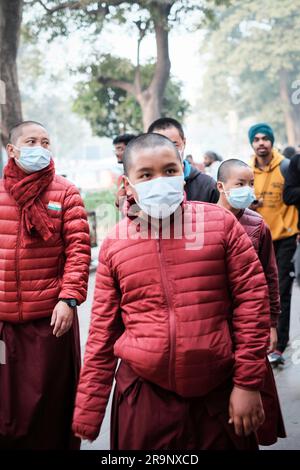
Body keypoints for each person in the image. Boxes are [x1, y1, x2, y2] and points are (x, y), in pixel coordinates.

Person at [72, 133, 270, 450]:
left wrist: (247, 383)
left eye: (168, 171)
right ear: (127, 184)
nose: (159, 181)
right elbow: (103, 333)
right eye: (146, 175)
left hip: (218, 393)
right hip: (145, 397)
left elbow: (252, 303)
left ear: (183, 172)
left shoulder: (220, 224)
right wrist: (88, 411)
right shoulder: (115, 244)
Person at [0, 121, 91, 450]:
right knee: (7, 409)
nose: (40, 147)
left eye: (45, 141)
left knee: (52, 403)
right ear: (12, 150)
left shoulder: (65, 192)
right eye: (31, 141)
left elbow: (79, 252)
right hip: (5, 324)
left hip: (50, 321)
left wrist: (68, 300)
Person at [217, 158, 286, 445]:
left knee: (252, 392)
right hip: (218, 322)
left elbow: (270, 278)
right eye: (239, 184)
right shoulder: (204, 222)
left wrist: (271, 325)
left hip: (249, 323)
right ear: (221, 187)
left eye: (250, 184)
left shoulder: (257, 226)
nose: (247, 190)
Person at [249, 123, 298, 366]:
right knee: (258, 291)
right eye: (256, 139)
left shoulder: (286, 167)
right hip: (257, 238)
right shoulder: (246, 170)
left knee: (282, 291)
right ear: (251, 143)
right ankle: (261, 341)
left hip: (285, 237)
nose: (261, 143)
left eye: (265, 138)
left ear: (271, 141)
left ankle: (279, 347)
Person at [147, 117, 219, 203]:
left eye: (174, 144)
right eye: (159, 145)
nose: (167, 151)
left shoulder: (207, 185)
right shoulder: (144, 184)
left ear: (184, 143)